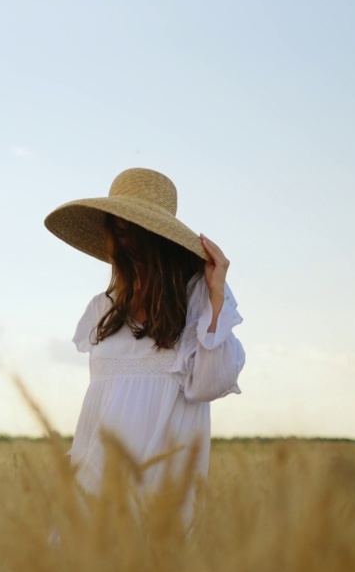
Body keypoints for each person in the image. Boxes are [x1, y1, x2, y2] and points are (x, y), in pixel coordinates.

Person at [44, 167, 245, 525]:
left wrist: (216, 294)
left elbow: (210, 384)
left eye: (132, 232)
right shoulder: (102, 309)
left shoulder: (198, 297)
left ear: (159, 239)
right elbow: (100, 403)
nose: (122, 244)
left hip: (163, 482)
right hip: (96, 483)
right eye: (116, 231)